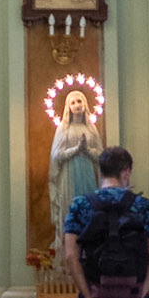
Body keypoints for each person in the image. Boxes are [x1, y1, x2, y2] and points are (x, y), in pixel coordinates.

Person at [62, 145, 149, 298]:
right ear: (126, 172)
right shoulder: (144, 206)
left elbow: (70, 256)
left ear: (100, 172)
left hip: (96, 297)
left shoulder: (80, 205)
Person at [47, 86, 103, 245]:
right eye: (73, 102)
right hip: (69, 174)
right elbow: (56, 155)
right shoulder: (63, 129)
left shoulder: (91, 129)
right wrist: (76, 150)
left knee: (89, 209)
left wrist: (88, 151)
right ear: (68, 107)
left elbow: (101, 155)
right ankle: (70, 248)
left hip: (87, 172)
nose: (77, 105)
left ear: (85, 104)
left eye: (79, 101)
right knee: (70, 208)